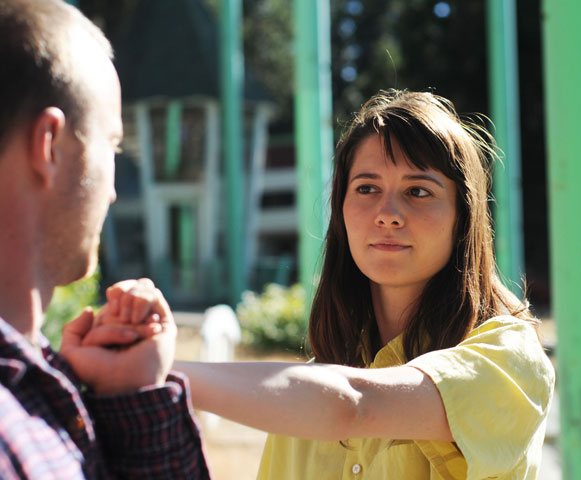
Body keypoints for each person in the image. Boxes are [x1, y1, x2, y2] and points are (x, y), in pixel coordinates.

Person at [107, 90, 555, 479]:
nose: (388, 213)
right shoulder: (309, 389)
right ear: (340, 210)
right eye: (366, 188)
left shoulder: (509, 360)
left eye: (418, 191)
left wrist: (160, 371)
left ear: (464, 217)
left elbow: (354, 406)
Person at [0, 0, 210, 477]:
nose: (113, 191)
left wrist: (130, 399)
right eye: (112, 146)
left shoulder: (33, 392)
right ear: (49, 146)